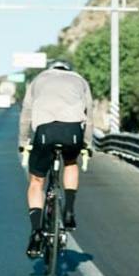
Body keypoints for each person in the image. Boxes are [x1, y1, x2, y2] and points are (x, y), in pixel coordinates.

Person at [19, 58, 94, 257]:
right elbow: (89, 114)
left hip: (45, 131)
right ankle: (69, 210)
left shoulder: (38, 80)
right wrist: (87, 143)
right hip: (73, 131)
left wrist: (23, 141)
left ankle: (36, 231)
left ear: (50, 68)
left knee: (36, 181)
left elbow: (26, 112)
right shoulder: (80, 80)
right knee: (70, 163)